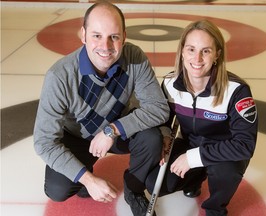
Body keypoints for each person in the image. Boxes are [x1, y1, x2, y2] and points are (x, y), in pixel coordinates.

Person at [33, 1, 169, 216]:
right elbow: (44, 142)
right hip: (79, 137)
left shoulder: (134, 58)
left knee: (152, 139)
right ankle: (85, 177)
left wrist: (112, 130)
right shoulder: (60, 76)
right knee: (57, 190)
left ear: (124, 36)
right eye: (97, 35)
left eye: (113, 37)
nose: (105, 47)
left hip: (118, 129)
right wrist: (87, 179)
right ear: (83, 34)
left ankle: (133, 190)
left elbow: (158, 108)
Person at [146, 20, 258, 216]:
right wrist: (164, 134)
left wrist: (192, 158)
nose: (197, 58)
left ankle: (215, 209)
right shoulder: (170, 83)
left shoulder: (236, 91)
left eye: (205, 51)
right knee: (155, 182)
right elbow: (165, 119)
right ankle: (196, 178)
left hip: (226, 151)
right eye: (191, 49)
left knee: (225, 173)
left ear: (217, 54)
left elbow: (244, 145)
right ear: (182, 51)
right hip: (192, 143)